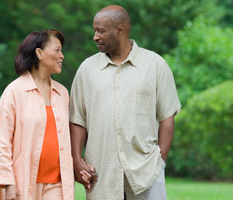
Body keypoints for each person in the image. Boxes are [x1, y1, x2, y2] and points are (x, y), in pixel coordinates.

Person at [70, 5, 181, 200]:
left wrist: (159, 162)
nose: (95, 36)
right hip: (101, 174)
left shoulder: (155, 65)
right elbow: (78, 119)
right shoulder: (86, 69)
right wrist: (77, 160)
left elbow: (167, 116)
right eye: (95, 30)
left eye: (101, 31)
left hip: (146, 173)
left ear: (120, 30)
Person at [0, 29, 74, 200]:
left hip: (57, 183)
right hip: (23, 182)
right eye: (57, 50)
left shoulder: (63, 93)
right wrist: (7, 181)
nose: (62, 56)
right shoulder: (14, 92)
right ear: (39, 53)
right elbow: (2, 142)